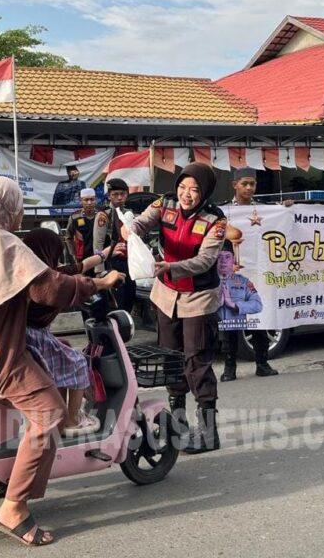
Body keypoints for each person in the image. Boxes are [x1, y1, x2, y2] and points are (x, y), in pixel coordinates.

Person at [0, 176, 123, 546]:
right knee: (48, 413)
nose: (20, 213)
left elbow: (47, 276)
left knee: (33, 402)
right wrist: (97, 284)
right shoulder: (5, 244)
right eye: (17, 205)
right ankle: (13, 507)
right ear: (7, 208)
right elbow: (49, 287)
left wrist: (89, 266)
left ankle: (5, 477)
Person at [124, 163, 226, 454]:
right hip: (166, 295)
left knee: (196, 361)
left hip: (198, 298)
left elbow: (205, 261)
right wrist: (130, 229)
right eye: (183, 187)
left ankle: (208, 433)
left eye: (194, 190)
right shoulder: (165, 202)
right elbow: (143, 221)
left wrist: (172, 267)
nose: (186, 194)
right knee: (171, 360)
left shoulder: (215, 221)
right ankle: (177, 427)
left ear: (204, 192)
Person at [23, 228, 121, 435]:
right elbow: (68, 285)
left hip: (33, 334)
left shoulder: (33, 270)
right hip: (32, 336)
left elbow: (80, 267)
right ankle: (72, 421)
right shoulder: (44, 280)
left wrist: (106, 253)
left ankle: (62, 414)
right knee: (78, 362)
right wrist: (103, 282)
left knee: (66, 348)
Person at [220, 167, 285, 379]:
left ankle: (262, 363)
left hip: (259, 274)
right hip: (232, 275)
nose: (249, 188)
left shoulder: (265, 210)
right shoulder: (223, 212)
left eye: (252, 184)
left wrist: (286, 209)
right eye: (244, 183)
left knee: (261, 319)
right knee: (231, 321)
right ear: (234, 185)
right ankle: (230, 368)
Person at [93, 178, 137, 312]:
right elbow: (98, 243)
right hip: (111, 263)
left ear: (127, 195)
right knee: (116, 304)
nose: (119, 198)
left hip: (129, 264)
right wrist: (99, 271)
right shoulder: (103, 215)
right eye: (115, 194)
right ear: (109, 196)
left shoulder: (129, 214)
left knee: (129, 298)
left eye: (122, 194)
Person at [216, 249, 263, 321]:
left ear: (233, 259)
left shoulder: (244, 281)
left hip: (237, 330)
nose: (223, 261)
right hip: (214, 331)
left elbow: (257, 305)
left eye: (227, 257)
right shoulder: (206, 282)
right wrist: (215, 304)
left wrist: (234, 305)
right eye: (219, 257)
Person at [65, 188, 97, 267]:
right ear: (81, 201)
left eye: (92, 199)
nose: (89, 203)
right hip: (82, 259)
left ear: (95, 200)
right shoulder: (75, 217)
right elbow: (68, 237)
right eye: (86, 200)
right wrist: (73, 256)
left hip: (99, 257)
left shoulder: (101, 216)